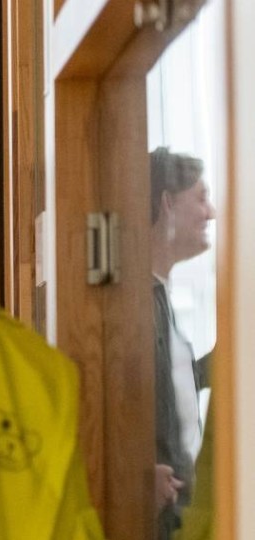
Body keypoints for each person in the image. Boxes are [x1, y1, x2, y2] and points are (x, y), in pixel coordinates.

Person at [149, 147, 213, 538]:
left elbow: (168, 386)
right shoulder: (137, 306)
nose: (212, 213)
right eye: (201, 198)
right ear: (168, 204)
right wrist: (140, 474)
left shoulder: (160, 297)